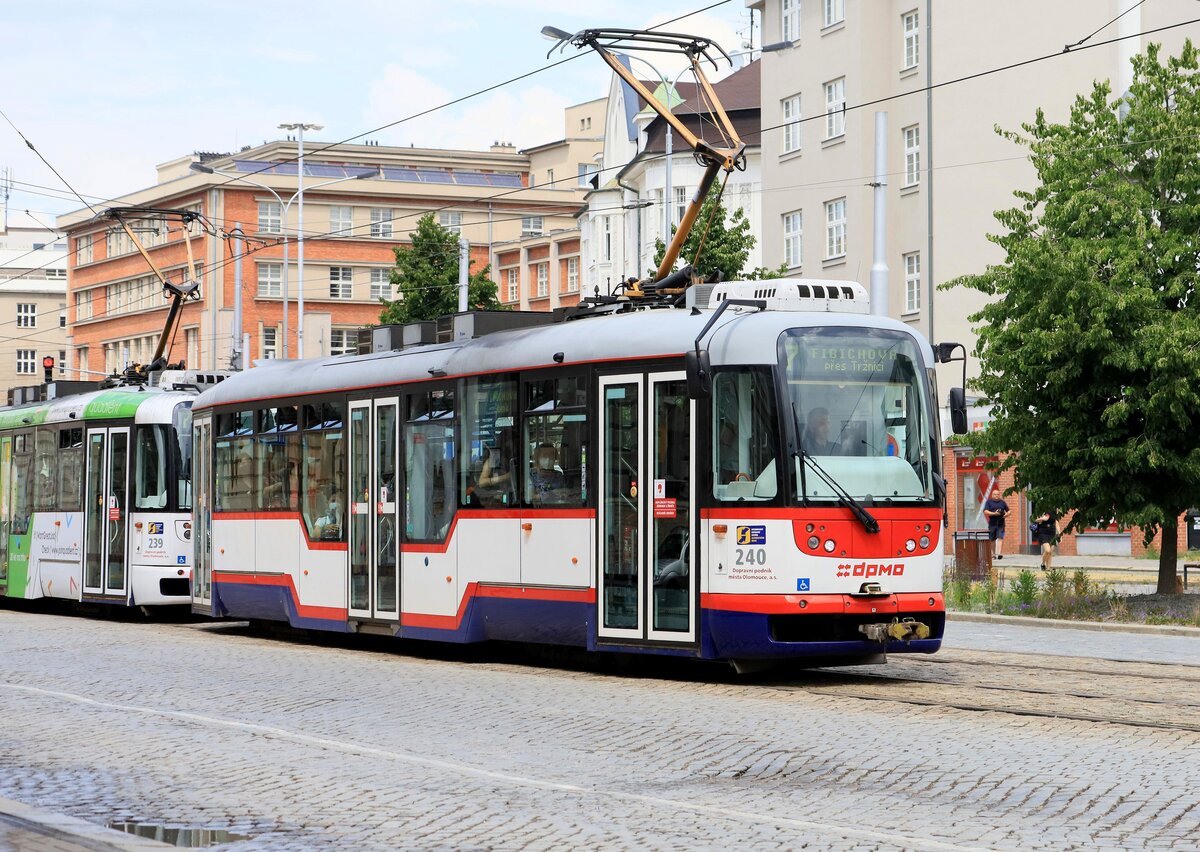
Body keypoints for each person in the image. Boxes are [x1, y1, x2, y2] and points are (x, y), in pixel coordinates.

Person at [982, 486, 1009, 560]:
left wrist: (1007, 514)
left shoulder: (1002, 502)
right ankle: (993, 554)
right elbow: (985, 511)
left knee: (1000, 538)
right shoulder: (989, 502)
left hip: (1001, 523)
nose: (996, 496)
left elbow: (1009, 510)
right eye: (995, 494)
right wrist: (994, 513)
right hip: (992, 524)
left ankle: (999, 553)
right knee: (992, 540)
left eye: (998, 494)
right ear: (992, 495)